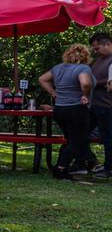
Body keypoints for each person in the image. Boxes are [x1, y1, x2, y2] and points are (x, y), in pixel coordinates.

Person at [39, 44, 94, 180]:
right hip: (76, 109)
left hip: (60, 110)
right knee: (77, 142)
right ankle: (60, 169)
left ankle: (61, 168)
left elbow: (42, 79)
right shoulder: (83, 68)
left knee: (70, 141)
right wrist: (86, 95)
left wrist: (53, 93)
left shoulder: (58, 68)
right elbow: (86, 83)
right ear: (86, 56)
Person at [87, 32, 112, 178]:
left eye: (98, 48)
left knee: (108, 139)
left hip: (107, 106)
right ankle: (92, 161)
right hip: (93, 105)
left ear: (108, 44)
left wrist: (92, 82)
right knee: (80, 135)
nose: (95, 52)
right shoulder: (98, 61)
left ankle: (109, 168)